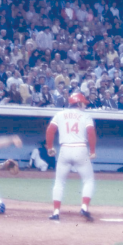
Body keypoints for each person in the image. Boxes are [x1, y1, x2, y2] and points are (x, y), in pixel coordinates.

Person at [45, 92, 97, 221]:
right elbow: (91, 133)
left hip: (65, 149)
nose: (85, 105)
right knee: (88, 180)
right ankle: (84, 207)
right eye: (83, 103)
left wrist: (50, 147)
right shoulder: (86, 116)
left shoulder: (59, 114)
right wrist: (93, 151)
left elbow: (50, 130)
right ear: (78, 103)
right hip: (80, 148)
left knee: (59, 182)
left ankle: (56, 211)